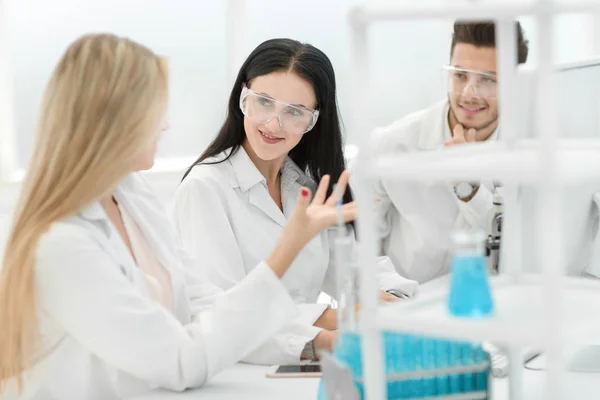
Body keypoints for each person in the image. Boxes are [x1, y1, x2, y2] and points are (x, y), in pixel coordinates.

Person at [0, 34, 356, 400]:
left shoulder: (131, 195)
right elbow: (181, 361)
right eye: (155, 112)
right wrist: (289, 247)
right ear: (112, 123)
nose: (165, 126)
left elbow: (207, 305)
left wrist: (324, 341)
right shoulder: (61, 245)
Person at [171, 38, 419, 365]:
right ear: (242, 99)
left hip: (307, 363)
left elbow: (357, 267)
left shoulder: (305, 186)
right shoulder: (205, 189)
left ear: (314, 121)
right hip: (241, 375)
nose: (274, 124)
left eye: (294, 112)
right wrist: (330, 323)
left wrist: (394, 300)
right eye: (263, 102)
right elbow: (221, 314)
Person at [370, 21, 529, 284]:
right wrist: (395, 295)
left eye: (488, 79)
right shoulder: (391, 146)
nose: (469, 94)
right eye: (460, 75)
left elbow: (520, 251)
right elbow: (358, 247)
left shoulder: (529, 151)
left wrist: (467, 183)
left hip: (490, 309)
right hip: (406, 307)